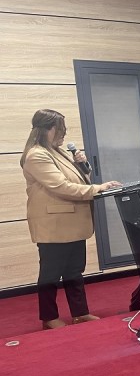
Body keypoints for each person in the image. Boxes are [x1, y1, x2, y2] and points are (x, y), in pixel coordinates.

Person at [21, 109, 121, 330]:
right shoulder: (37, 155)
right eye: (61, 128)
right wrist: (98, 188)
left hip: (72, 224)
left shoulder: (57, 152)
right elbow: (61, 186)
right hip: (54, 226)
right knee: (50, 275)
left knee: (74, 271)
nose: (64, 133)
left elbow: (80, 181)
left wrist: (82, 165)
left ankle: (80, 313)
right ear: (48, 129)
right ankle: (49, 318)